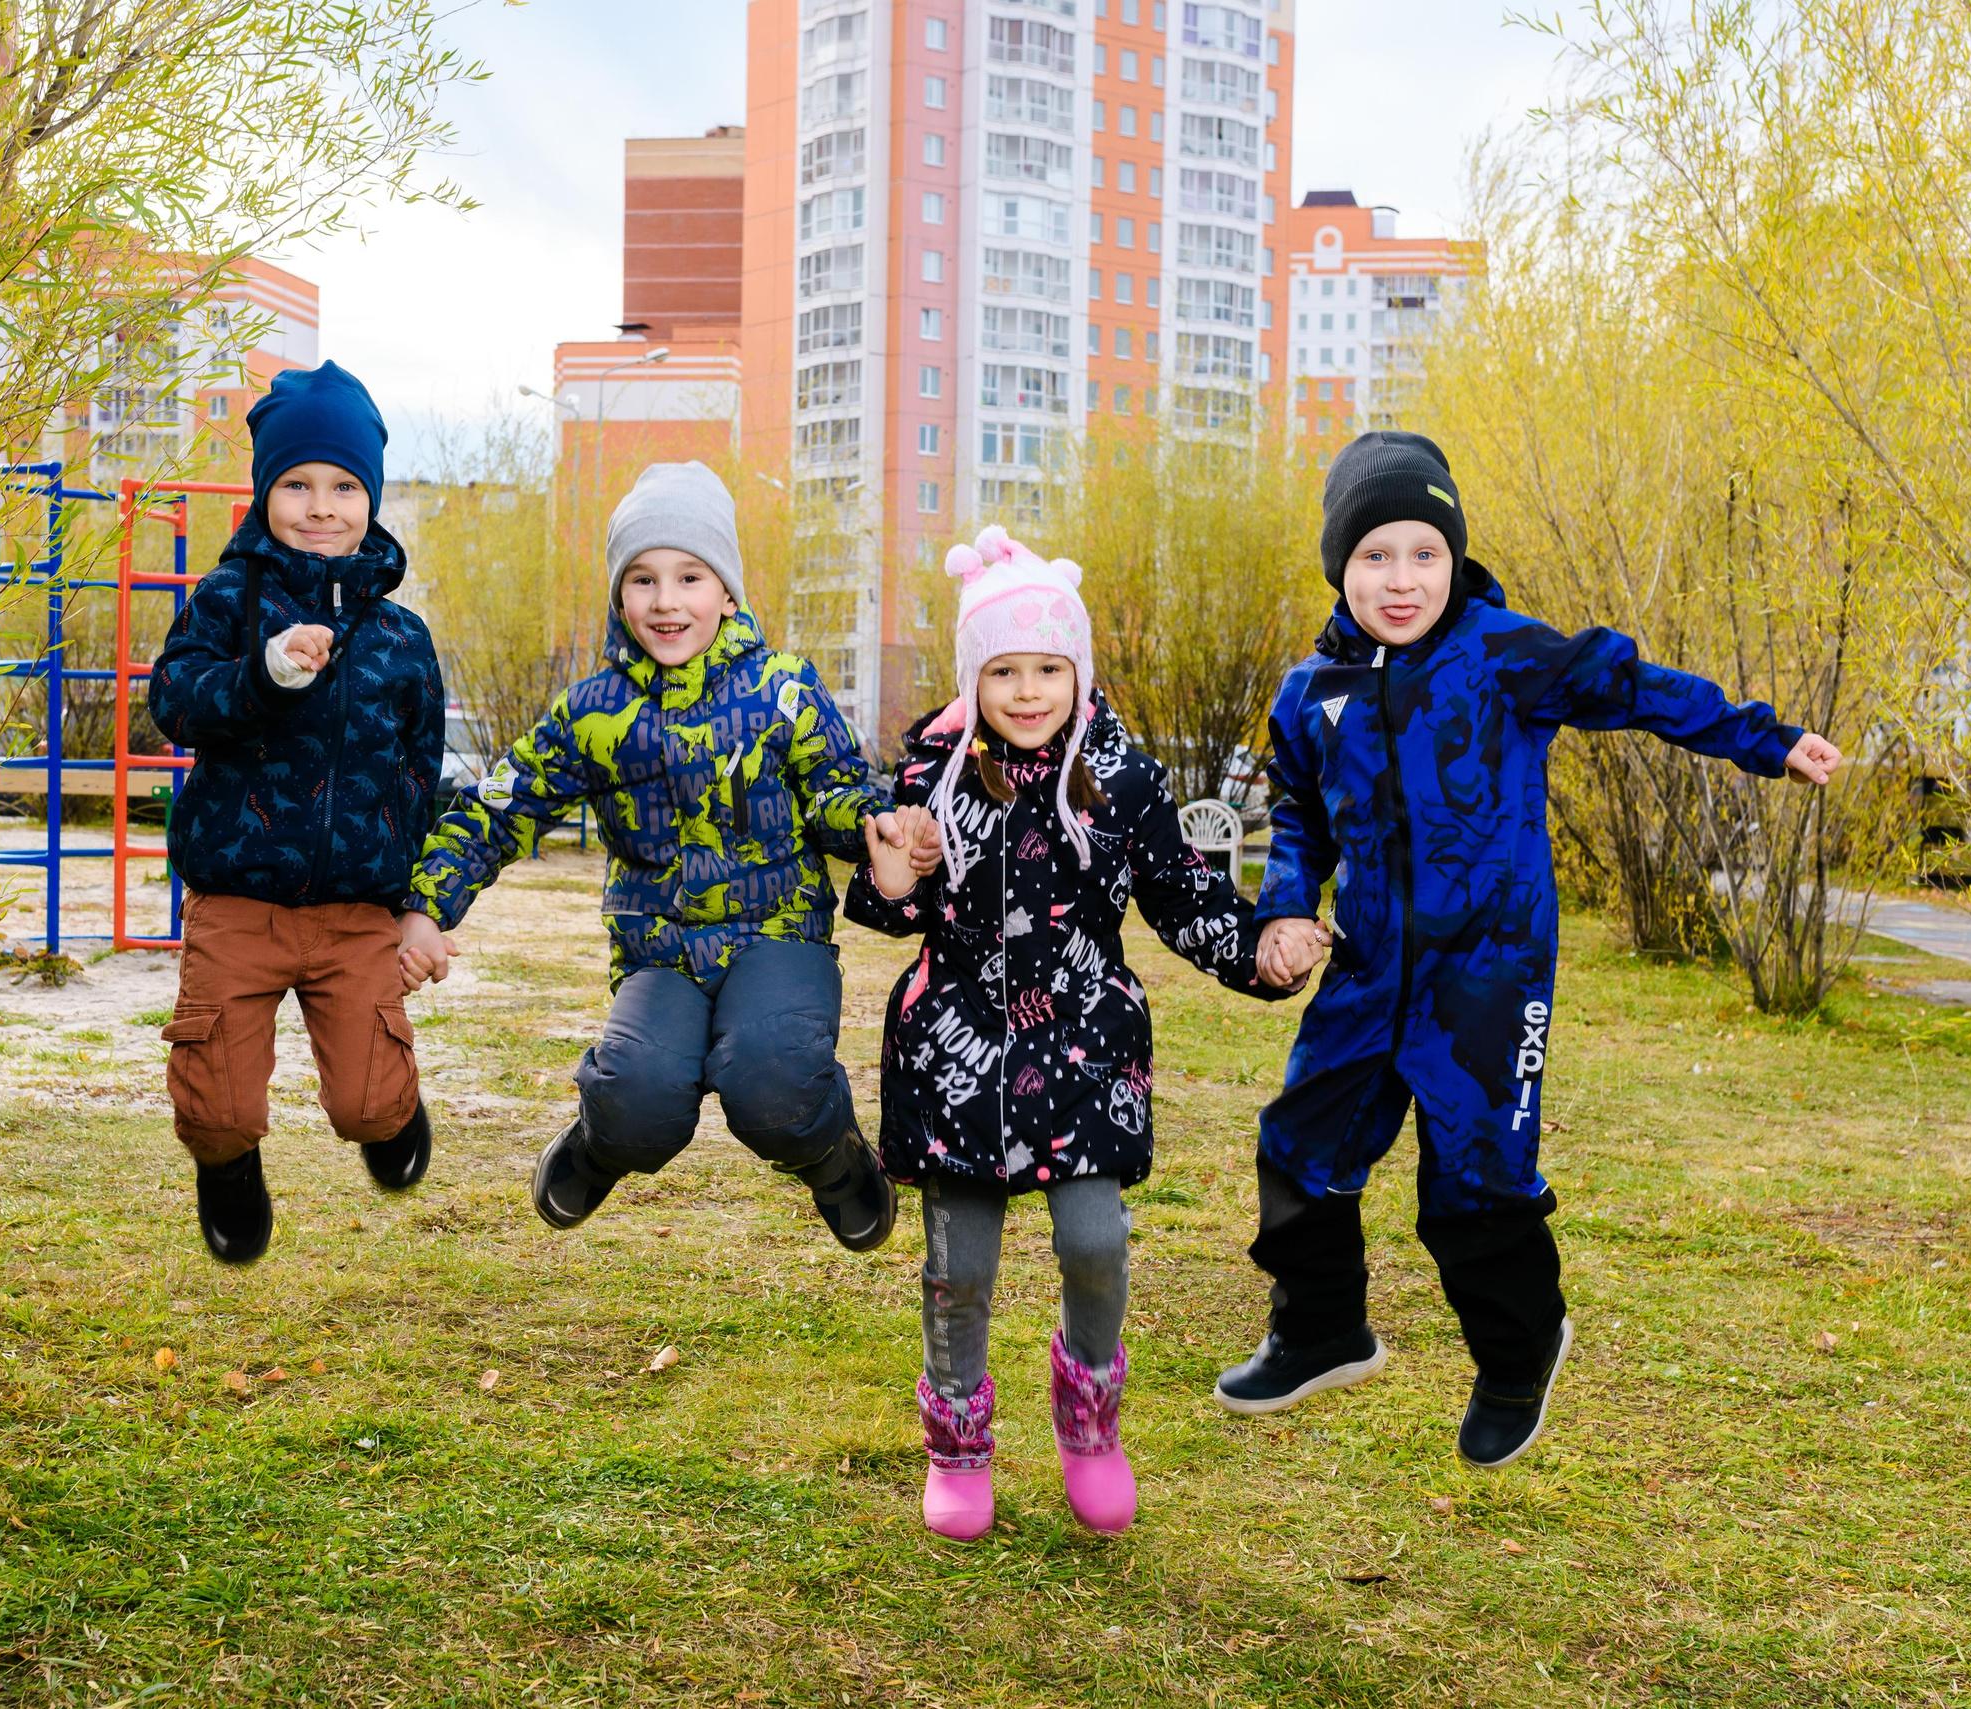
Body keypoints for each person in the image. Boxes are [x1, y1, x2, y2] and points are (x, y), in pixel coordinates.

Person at [1219, 430, 1844, 1467]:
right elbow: (1296, 818)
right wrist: (1285, 907)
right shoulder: (1309, 692)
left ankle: (1517, 1355)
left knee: (1473, 1185)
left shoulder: (1504, 654)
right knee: (1298, 1144)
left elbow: (1634, 685)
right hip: (1369, 970)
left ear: (1453, 557)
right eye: (1375, 556)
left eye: (1424, 552)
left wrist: (1762, 739)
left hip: (1486, 979)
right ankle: (1320, 1329)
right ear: (1340, 565)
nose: (1401, 578)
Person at [846, 526, 1299, 1542]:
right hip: (953, 1055)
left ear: (1076, 670)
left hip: (1083, 1050)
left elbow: (1185, 898)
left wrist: (1260, 947)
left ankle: (1088, 1424)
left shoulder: (1120, 776)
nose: (1026, 688)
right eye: (1002, 669)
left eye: (1047, 666)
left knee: (1094, 1242)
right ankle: (957, 1443)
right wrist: (890, 879)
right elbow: (893, 908)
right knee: (959, 1266)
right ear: (974, 675)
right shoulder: (933, 772)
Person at [401, 460, 925, 1250]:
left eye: (689, 575)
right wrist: (425, 907)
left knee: (771, 1077)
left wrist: (876, 832)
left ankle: (832, 1156)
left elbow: (838, 788)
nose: (666, 600)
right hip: (659, 951)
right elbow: (498, 808)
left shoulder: (782, 689)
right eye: (642, 579)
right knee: (638, 1097)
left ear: (727, 591)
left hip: (776, 932)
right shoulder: (595, 713)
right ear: (619, 596)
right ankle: (600, 1144)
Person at [147, 360, 446, 1266]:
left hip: (357, 909)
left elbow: (421, 773)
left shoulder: (401, 637)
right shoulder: (229, 601)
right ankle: (227, 1166)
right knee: (219, 1103)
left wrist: (420, 902)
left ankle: (390, 1118)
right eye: (298, 484)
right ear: (265, 492)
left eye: (345, 486)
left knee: (366, 1100)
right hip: (238, 899)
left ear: (373, 497)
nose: (322, 506)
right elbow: (175, 699)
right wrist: (263, 675)